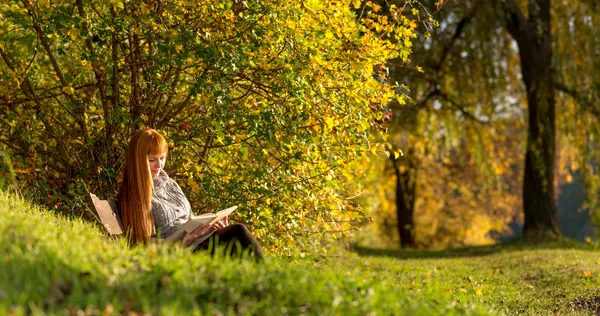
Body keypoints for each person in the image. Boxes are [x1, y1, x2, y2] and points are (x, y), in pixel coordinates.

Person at [117, 128, 264, 259]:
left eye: (162, 158)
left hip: (200, 240)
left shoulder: (170, 183)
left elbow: (189, 218)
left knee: (236, 233)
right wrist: (183, 242)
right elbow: (142, 244)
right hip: (184, 250)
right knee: (238, 233)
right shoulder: (135, 195)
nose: (159, 165)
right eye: (152, 160)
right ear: (138, 160)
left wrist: (211, 224)